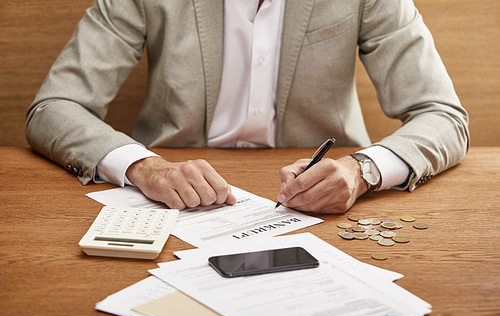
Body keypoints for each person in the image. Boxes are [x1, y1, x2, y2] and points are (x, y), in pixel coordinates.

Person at [25, 0, 469, 214]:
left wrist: (361, 170)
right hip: (173, 203)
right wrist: (145, 167)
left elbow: (443, 116)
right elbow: (55, 107)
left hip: (323, 205)